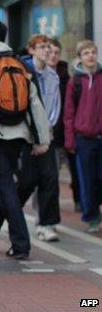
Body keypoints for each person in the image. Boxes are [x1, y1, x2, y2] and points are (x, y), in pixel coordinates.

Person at [0, 25, 50, 260]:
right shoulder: (22, 63)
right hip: (22, 136)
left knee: (6, 189)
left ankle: (21, 244)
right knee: (8, 191)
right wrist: (42, 139)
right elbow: (35, 103)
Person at [18, 35, 62, 241]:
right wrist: (35, 137)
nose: (46, 51)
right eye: (42, 47)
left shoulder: (53, 76)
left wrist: (46, 134)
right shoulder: (23, 72)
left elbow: (54, 108)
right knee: (26, 183)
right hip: (27, 138)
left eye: (48, 47)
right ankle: (8, 215)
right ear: (32, 50)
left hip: (47, 137)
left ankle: (46, 224)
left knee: (50, 179)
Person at [63, 40, 102, 233]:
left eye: (93, 52)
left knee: (100, 178)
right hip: (83, 138)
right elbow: (69, 113)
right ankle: (92, 216)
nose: (90, 56)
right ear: (80, 57)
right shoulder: (75, 82)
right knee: (87, 179)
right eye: (86, 53)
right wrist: (70, 139)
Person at [48, 38, 81, 212]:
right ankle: (50, 214)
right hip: (50, 136)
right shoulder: (40, 76)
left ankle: (80, 202)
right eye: (50, 52)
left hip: (68, 133)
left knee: (77, 173)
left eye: (56, 53)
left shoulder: (67, 78)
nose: (53, 56)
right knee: (51, 178)